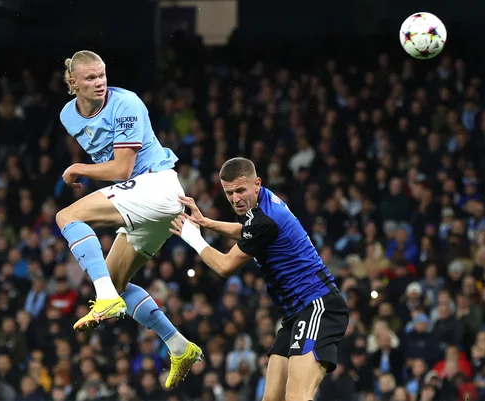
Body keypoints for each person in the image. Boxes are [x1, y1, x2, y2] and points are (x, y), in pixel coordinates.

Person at [56, 50, 202, 388]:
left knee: (67, 216)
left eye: (102, 75)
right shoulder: (68, 115)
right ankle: (179, 346)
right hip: (143, 198)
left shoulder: (127, 104)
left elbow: (122, 168)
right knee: (117, 281)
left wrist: (79, 168)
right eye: (91, 78)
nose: (100, 82)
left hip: (157, 185)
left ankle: (104, 298)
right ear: (72, 82)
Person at [170, 157, 350, 401]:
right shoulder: (262, 202)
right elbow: (248, 229)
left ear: (256, 183)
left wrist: (192, 237)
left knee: (297, 397)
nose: (235, 199)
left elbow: (225, 267)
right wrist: (206, 223)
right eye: (229, 192)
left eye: (240, 190)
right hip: (295, 315)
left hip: (318, 305)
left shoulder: (265, 219)